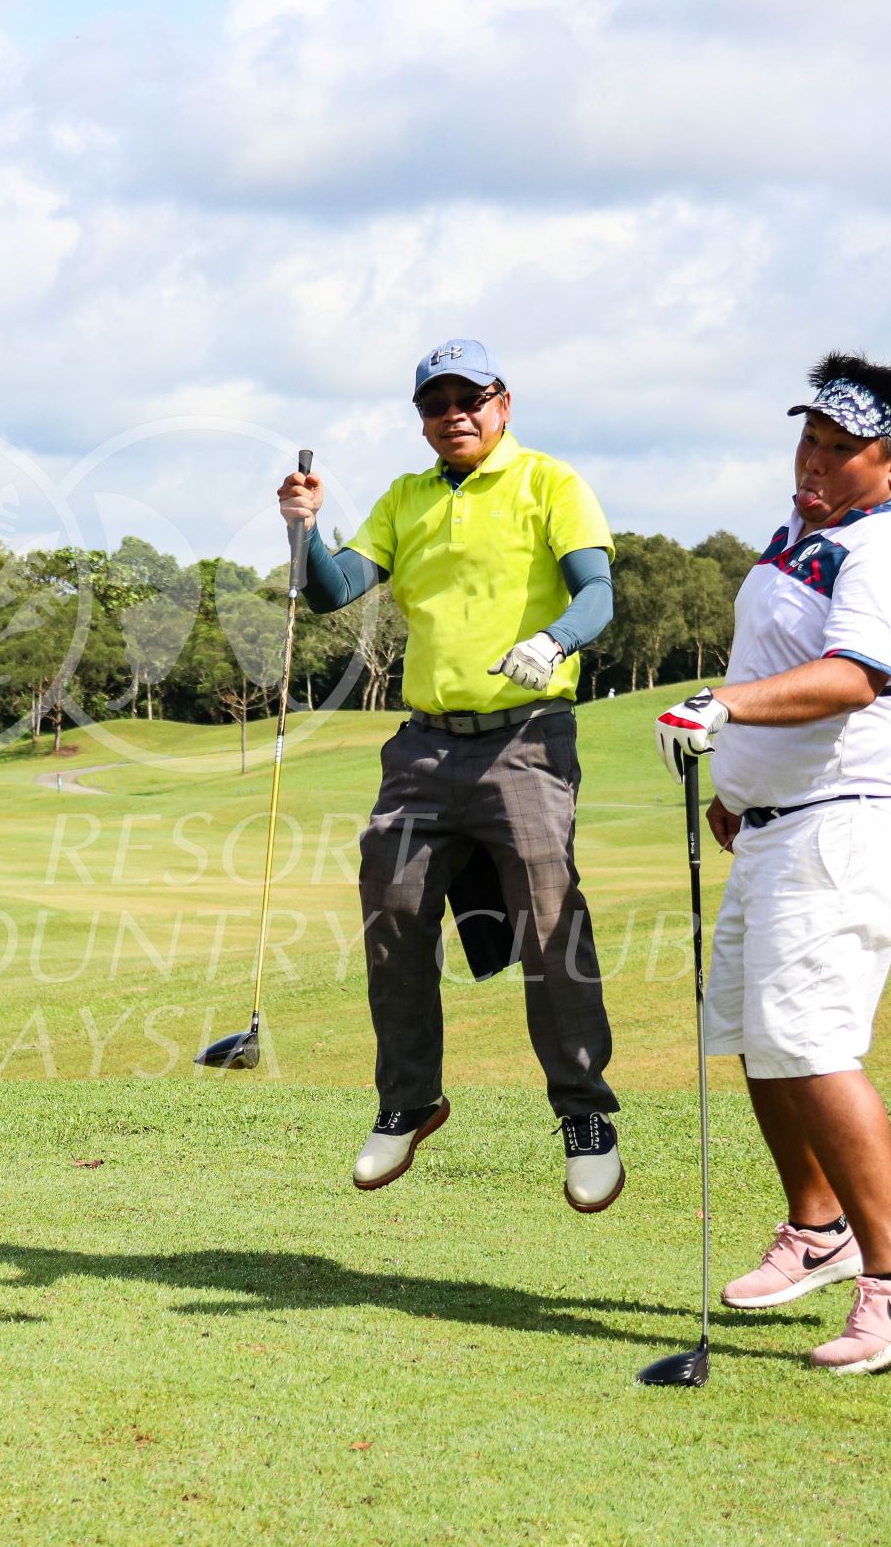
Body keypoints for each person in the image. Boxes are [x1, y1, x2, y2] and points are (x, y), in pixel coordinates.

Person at [651, 352, 891, 1374]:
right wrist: (735, 785)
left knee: (812, 1038)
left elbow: (851, 677)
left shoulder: (887, 549)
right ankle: (820, 1229)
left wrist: (723, 709)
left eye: (843, 450)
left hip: (845, 822)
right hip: (776, 820)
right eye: (810, 441)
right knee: (753, 1031)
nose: (817, 464)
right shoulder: (805, 533)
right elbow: (773, 659)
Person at [279, 338, 624, 1210]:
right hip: (425, 748)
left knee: (551, 921)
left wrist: (554, 641)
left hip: (528, 739)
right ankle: (408, 1100)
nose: (454, 415)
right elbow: (331, 591)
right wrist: (305, 529)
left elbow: (598, 595)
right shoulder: (406, 500)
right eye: (437, 404)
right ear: (423, 419)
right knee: (391, 907)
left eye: (470, 398)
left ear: (505, 402)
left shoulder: (551, 483)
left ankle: (586, 1114)